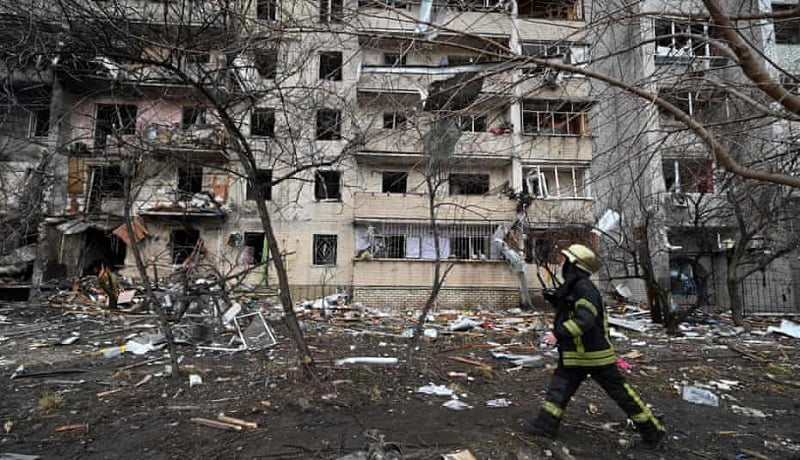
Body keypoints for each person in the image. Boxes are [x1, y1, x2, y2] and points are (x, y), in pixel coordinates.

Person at [522, 244, 666, 448]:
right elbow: (574, 311)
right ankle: (545, 426)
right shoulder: (576, 287)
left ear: (574, 265)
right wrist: (557, 301)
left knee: (621, 394)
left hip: (593, 355)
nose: (561, 264)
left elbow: (585, 320)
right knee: (558, 391)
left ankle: (652, 430)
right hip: (576, 355)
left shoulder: (584, 288)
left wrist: (557, 333)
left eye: (565, 260)